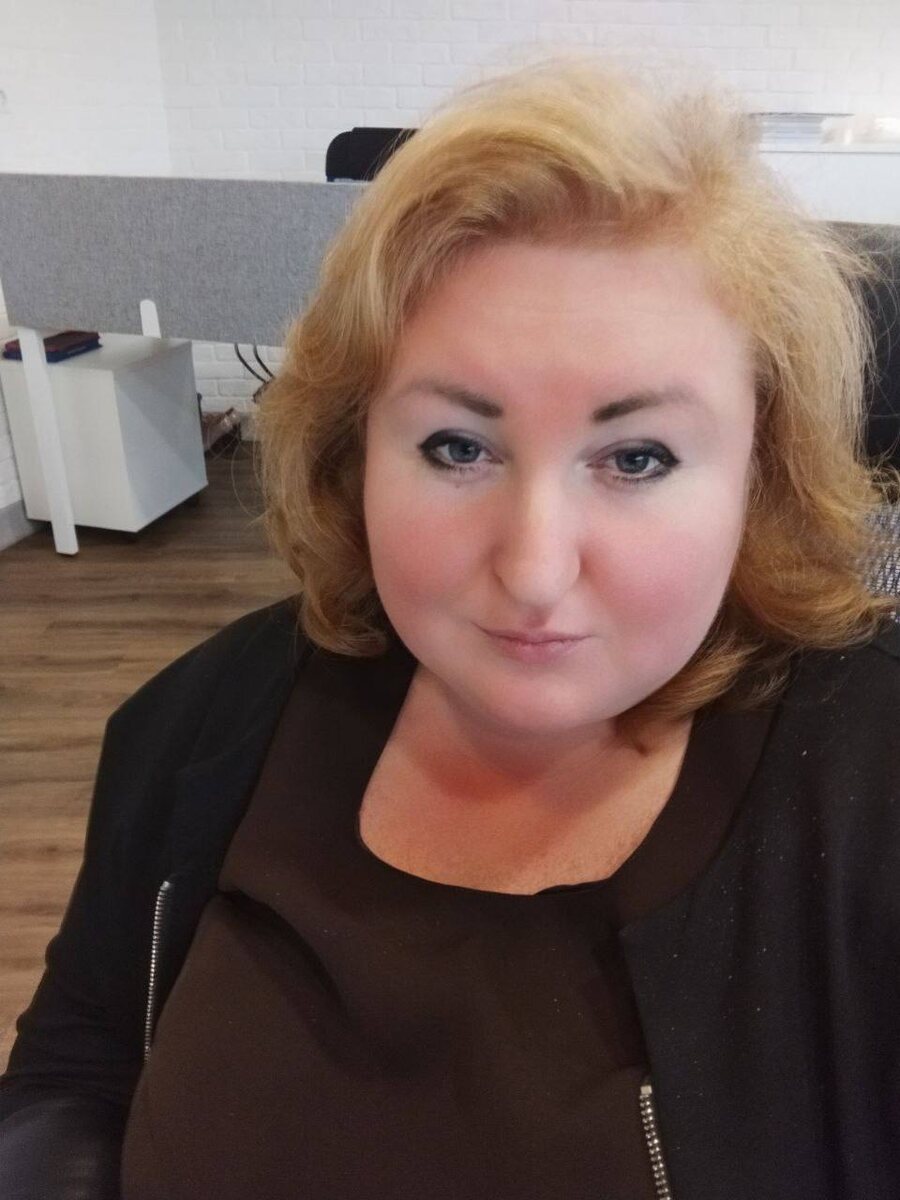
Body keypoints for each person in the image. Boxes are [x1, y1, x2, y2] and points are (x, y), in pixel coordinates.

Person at [1, 57, 899, 1200]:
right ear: (356, 449)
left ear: (760, 475)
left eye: (636, 458)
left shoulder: (869, 795)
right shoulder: (192, 730)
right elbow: (74, 1075)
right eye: (456, 447)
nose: (533, 567)